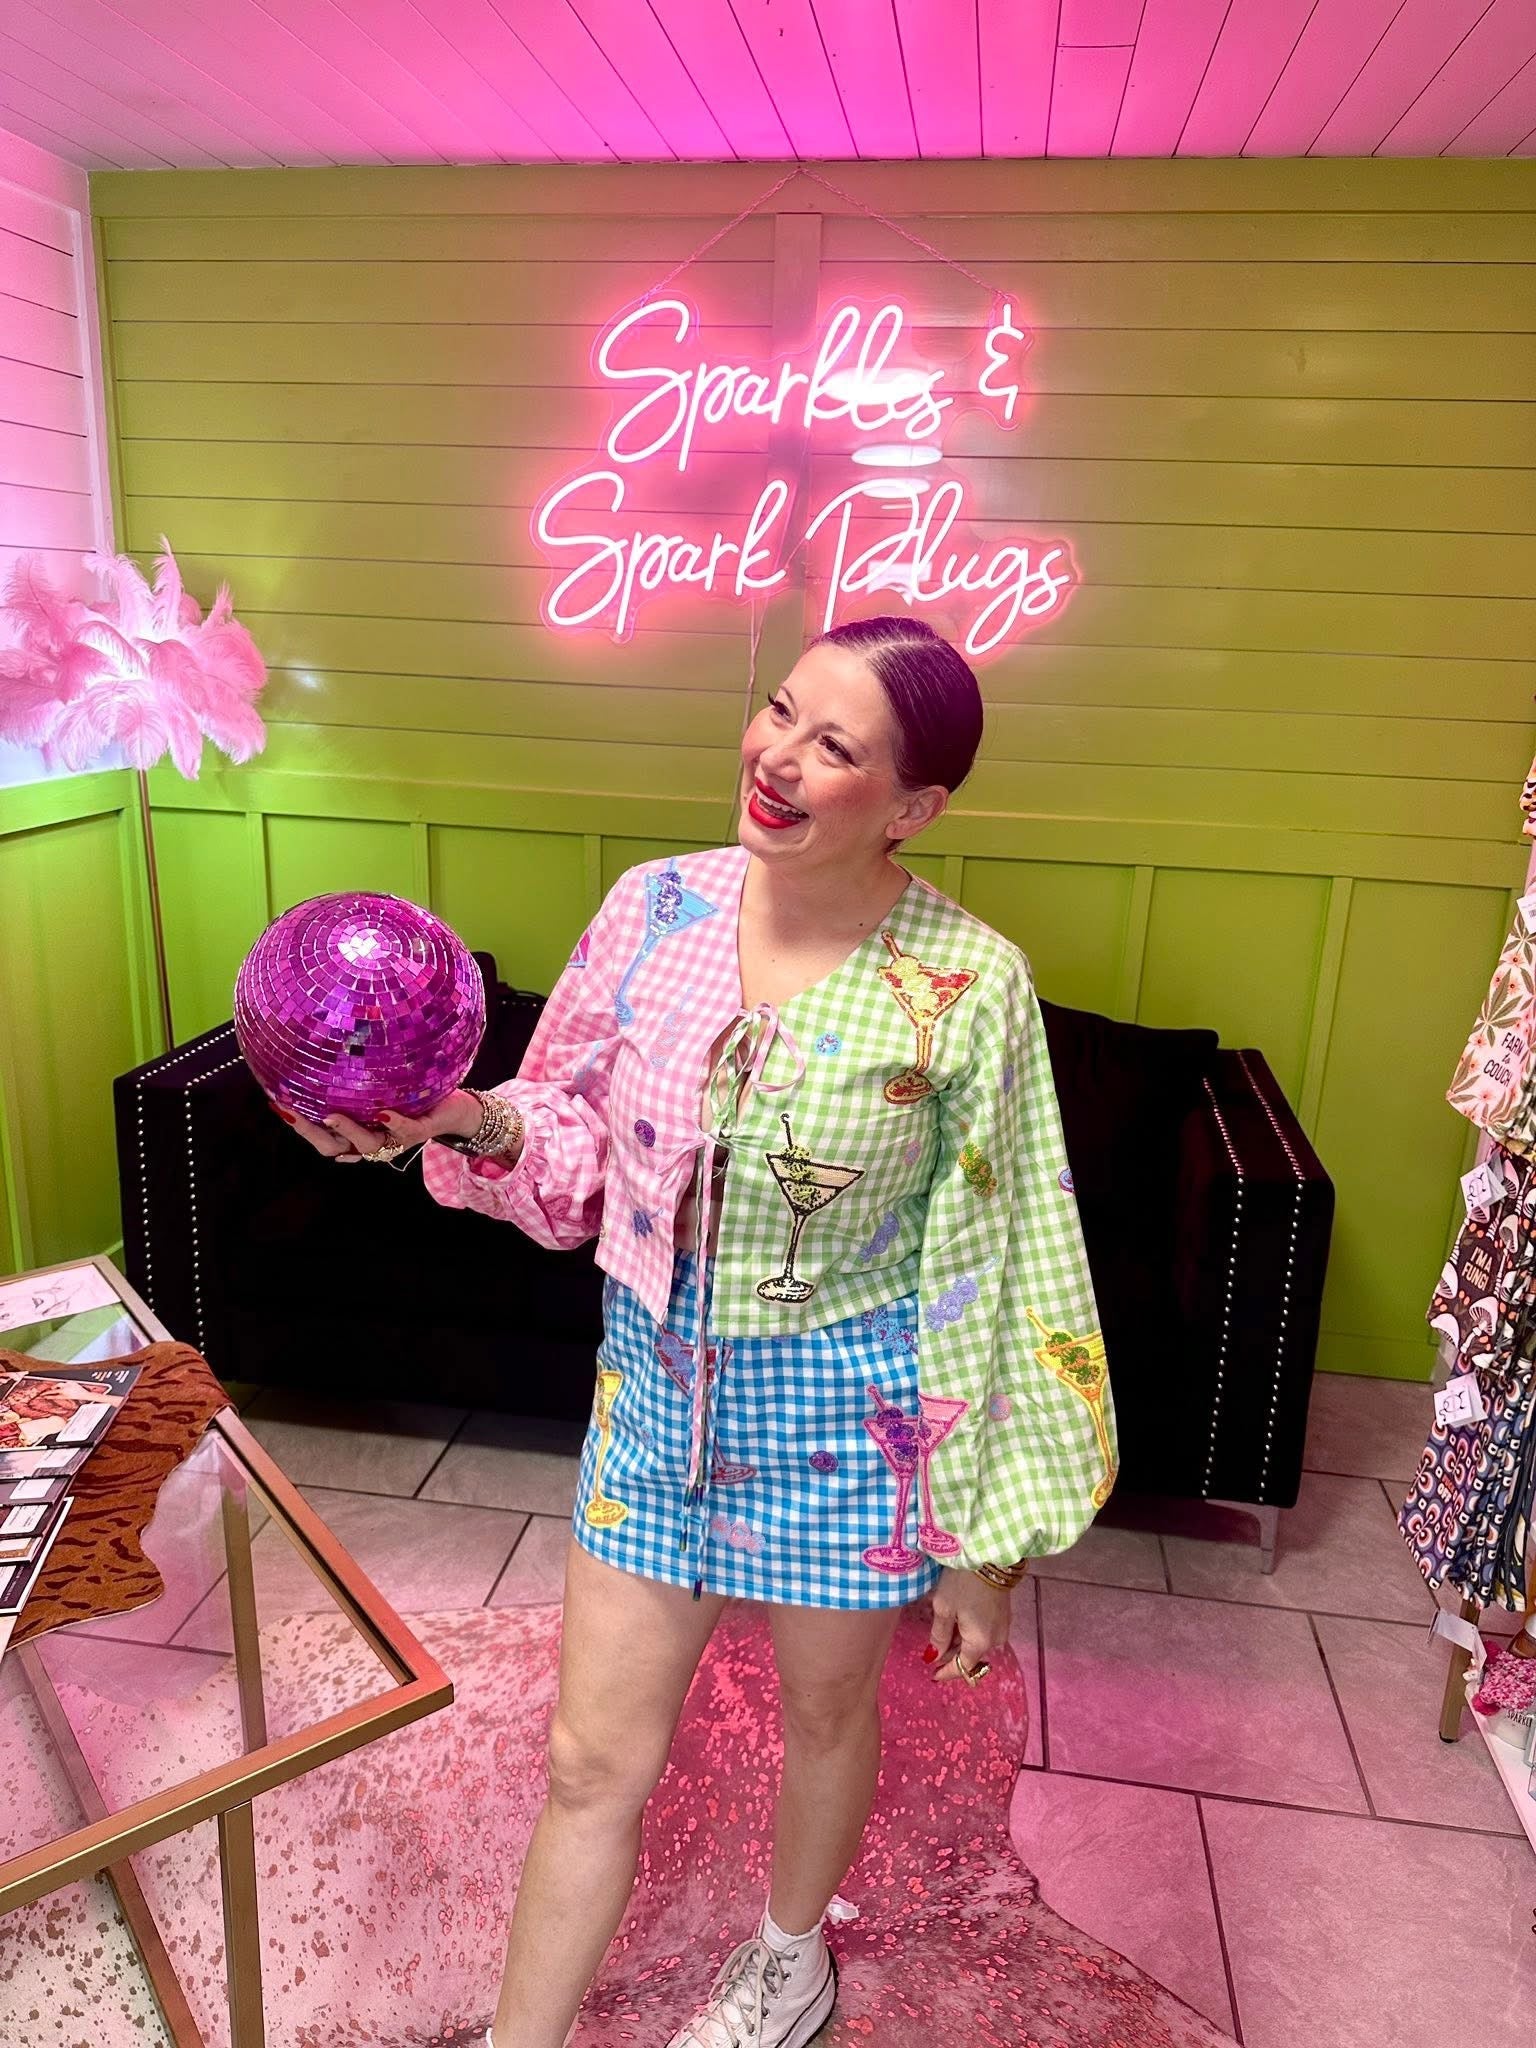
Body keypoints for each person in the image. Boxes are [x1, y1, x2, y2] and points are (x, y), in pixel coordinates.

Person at [289, 616, 1115, 2048]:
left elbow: (1004, 1262)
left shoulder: (971, 984)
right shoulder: (654, 907)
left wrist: (991, 1543)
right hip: (653, 1397)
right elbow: (564, 1137)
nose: (777, 758)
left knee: (825, 1718)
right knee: (588, 1759)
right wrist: (460, 1120)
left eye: (833, 745)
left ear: (913, 807)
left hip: (847, 1422)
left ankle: (789, 1960)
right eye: (780, 711)